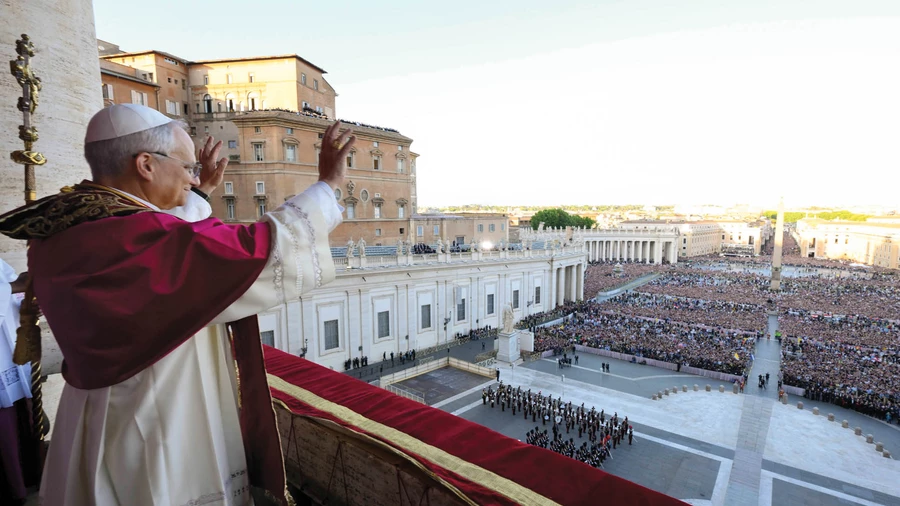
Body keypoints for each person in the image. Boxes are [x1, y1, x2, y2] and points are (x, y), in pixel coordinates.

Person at [0, 104, 356, 506]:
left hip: (93, 411)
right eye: (188, 168)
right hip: (153, 419)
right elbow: (253, 249)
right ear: (146, 164)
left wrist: (199, 192)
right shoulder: (137, 237)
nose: (193, 177)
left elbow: (177, 234)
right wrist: (328, 185)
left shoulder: (68, 225)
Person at [0, 261, 33, 504]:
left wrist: (25, 303)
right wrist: (14, 286)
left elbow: (15, 291)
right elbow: (13, 285)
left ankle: (30, 478)